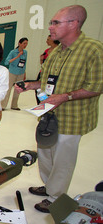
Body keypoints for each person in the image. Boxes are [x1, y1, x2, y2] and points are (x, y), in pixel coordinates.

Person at [15, 5, 103, 213]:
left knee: (63, 159)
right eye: (51, 23)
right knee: (45, 152)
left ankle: (55, 196)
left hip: (72, 118)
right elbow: (46, 82)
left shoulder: (93, 50)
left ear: (74, 24)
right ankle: (48, 187)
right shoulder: (56, 52)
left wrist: (66, 97)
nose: (50, 27)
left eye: (55, 23)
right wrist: (30, 85)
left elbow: (97, 86)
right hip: (48, 114)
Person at [1, 37, 28, 110]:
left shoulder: (25, 52)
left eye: (26, 44)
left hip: (21, 73)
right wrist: (17, 56)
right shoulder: (13, 52)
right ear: (19, 43)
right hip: (12, 72)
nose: (25, 45)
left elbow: (24, 63)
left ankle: (14, 105)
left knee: (18, 89)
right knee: (8, 88)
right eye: (24, 43)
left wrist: (24, 73)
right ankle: (3, 105)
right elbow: (7, 62)